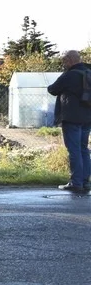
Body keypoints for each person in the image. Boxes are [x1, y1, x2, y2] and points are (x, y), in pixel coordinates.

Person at [47, 50, 91, 193]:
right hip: (88, 117)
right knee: (84, 149)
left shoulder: (69, 75)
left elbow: (52, 89)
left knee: (74, 150)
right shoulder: (88, 72)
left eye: (64, 61)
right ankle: (85, 182)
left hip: (72, 118)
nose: (64, 64)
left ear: (70, 60)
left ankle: (75, 182)